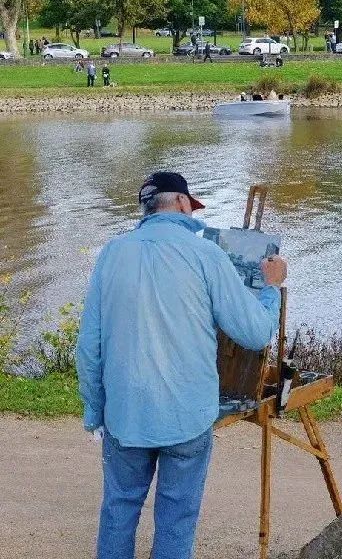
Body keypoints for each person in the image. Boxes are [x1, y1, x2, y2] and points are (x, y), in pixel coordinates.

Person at [76, 172, 285, 559]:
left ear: (148, 208)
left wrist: (96, 410)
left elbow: (89, 347)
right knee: (176, 516)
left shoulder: (112, 253)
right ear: (183, 203)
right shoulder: (207, 254)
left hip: (125, 413)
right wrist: (271, 288)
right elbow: (255, 334)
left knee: (119, 509)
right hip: (187, 414)